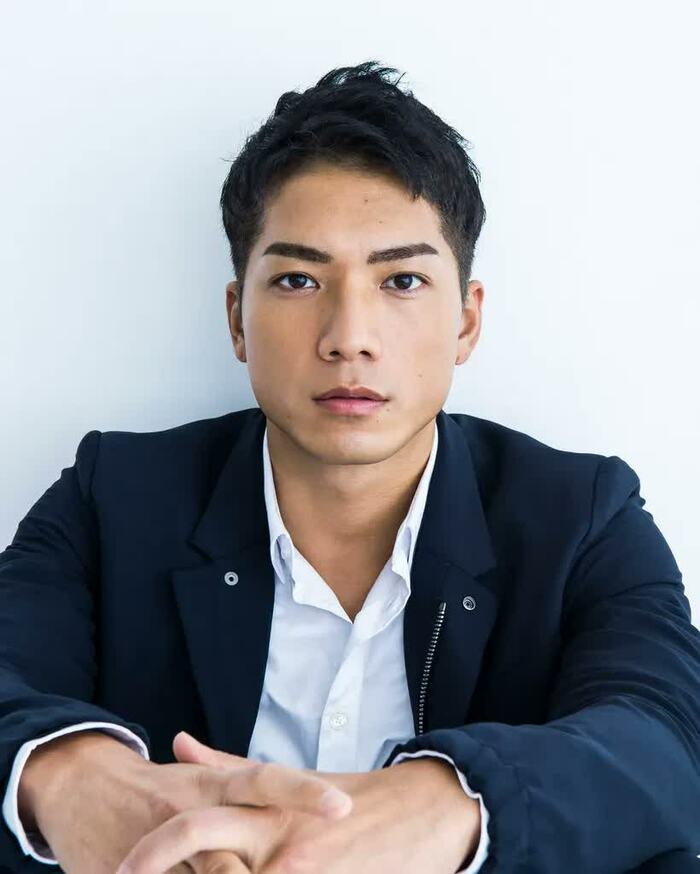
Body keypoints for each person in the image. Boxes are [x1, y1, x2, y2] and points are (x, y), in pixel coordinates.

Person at [1, 60, 699, 874]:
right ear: (237, 318)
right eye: (298, 279)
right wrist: (71, 780)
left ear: (466, 322)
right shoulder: (113, 497)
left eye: (402, 280)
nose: (349, 338)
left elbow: (663, 740)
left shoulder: (583, 515)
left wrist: (443, 807)